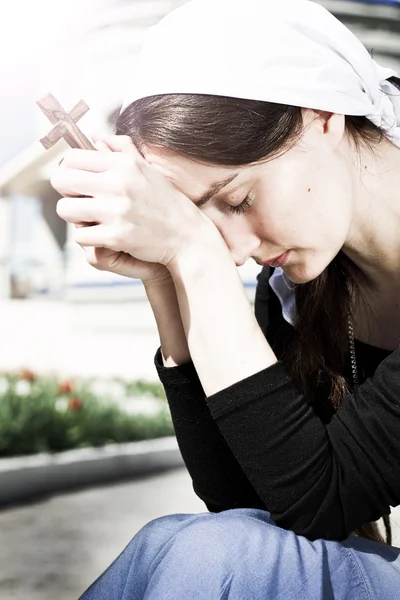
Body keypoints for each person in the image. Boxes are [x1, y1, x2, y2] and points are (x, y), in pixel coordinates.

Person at [50, 0, 400, 597]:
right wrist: (166, 277)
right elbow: (248, 505)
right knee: (181, 543)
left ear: (322, 116)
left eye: (236, 199)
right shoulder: (300, 289)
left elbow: (322, 500)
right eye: (204, 220)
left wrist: (194, 253)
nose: (234, 249)